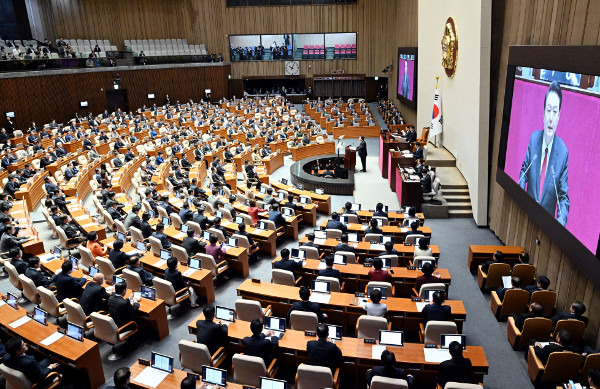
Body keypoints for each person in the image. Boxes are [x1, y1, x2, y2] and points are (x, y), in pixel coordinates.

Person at [518, 81, 569, 226]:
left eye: (555, 111)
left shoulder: (563, 152)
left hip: (545, 226)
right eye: (548, 110)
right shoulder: (534, 139)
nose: (551, 117)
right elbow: (524, 172)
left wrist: (560, 223)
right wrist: (520, 197)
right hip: (525, 217)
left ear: (559, 116)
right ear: (543, 113)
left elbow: (563, 197)